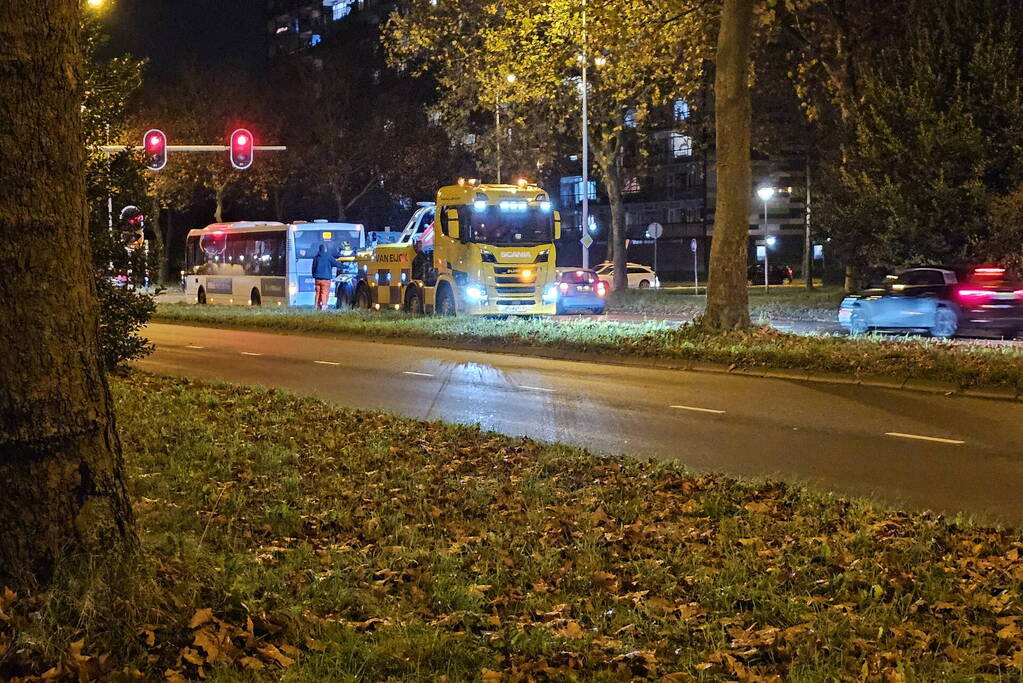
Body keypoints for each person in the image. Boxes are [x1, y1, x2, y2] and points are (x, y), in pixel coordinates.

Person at [311, 244, 344, 310]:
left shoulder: (316, 257)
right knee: (324, 292)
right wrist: (345, 266)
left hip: (317, 279)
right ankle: (324, 306)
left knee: (318, 293)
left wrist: (314, 275)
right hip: (326, 279)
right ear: (325, 249)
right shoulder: (328, 257)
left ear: (319, 249)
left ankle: (316, 306)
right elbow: (336, 264)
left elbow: (313, 268)